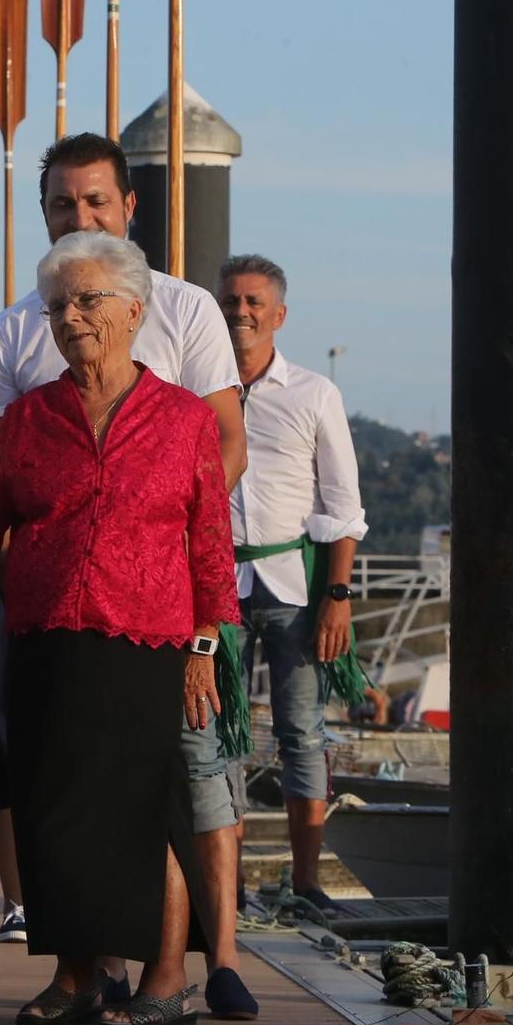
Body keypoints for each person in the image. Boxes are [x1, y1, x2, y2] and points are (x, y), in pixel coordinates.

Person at [0, 132, 250, 1004]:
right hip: (50, 606)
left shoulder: (186, 309)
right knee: (61, 792)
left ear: (132, 207)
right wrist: (45, 568)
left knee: (178, 788)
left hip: (164, 603)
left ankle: (218, 962)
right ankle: (87, 970)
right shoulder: (20, 326)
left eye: (95, 201)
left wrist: (133, 528)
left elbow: (223, 449)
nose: (78, 215)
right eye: (61, 203)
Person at [216, 255, 368, 913]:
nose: (240, 311)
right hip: (215, 583)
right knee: (222, 734)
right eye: (230, 301)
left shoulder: (313, 393)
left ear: (278, 314)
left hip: (293, 585)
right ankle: (228, 885)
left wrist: (338, 596)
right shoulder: (197, 393)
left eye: (253, 301)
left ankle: (306, 882)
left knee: (302, 731)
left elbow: (343, 503)